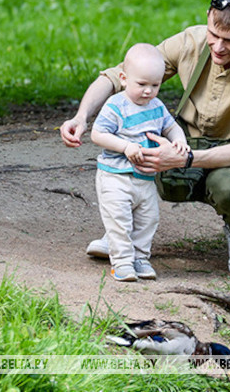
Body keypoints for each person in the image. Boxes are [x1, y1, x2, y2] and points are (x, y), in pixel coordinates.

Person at [61, 0, 230, 275]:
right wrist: (82, 116)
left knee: (228, 187)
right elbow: (119, 75)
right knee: (136, 144)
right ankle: (122, 232)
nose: (219, 47)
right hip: (188, 138)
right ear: (208, 20)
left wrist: (182, 160)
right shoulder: (193, 40)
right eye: (214, 35)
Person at [90, 43, 189, 282]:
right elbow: (97, 134)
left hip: (144, 178)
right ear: (124, 78)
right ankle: (122, 262)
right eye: (142, 84)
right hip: (116, 176)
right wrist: (126, 146)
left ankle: (140, 257)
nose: (148, 91)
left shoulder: (157, 106)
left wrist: (180, 141)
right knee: (120, 220)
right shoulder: (116, 105)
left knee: (147, 219)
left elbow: (171, 126)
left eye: (155, 85)